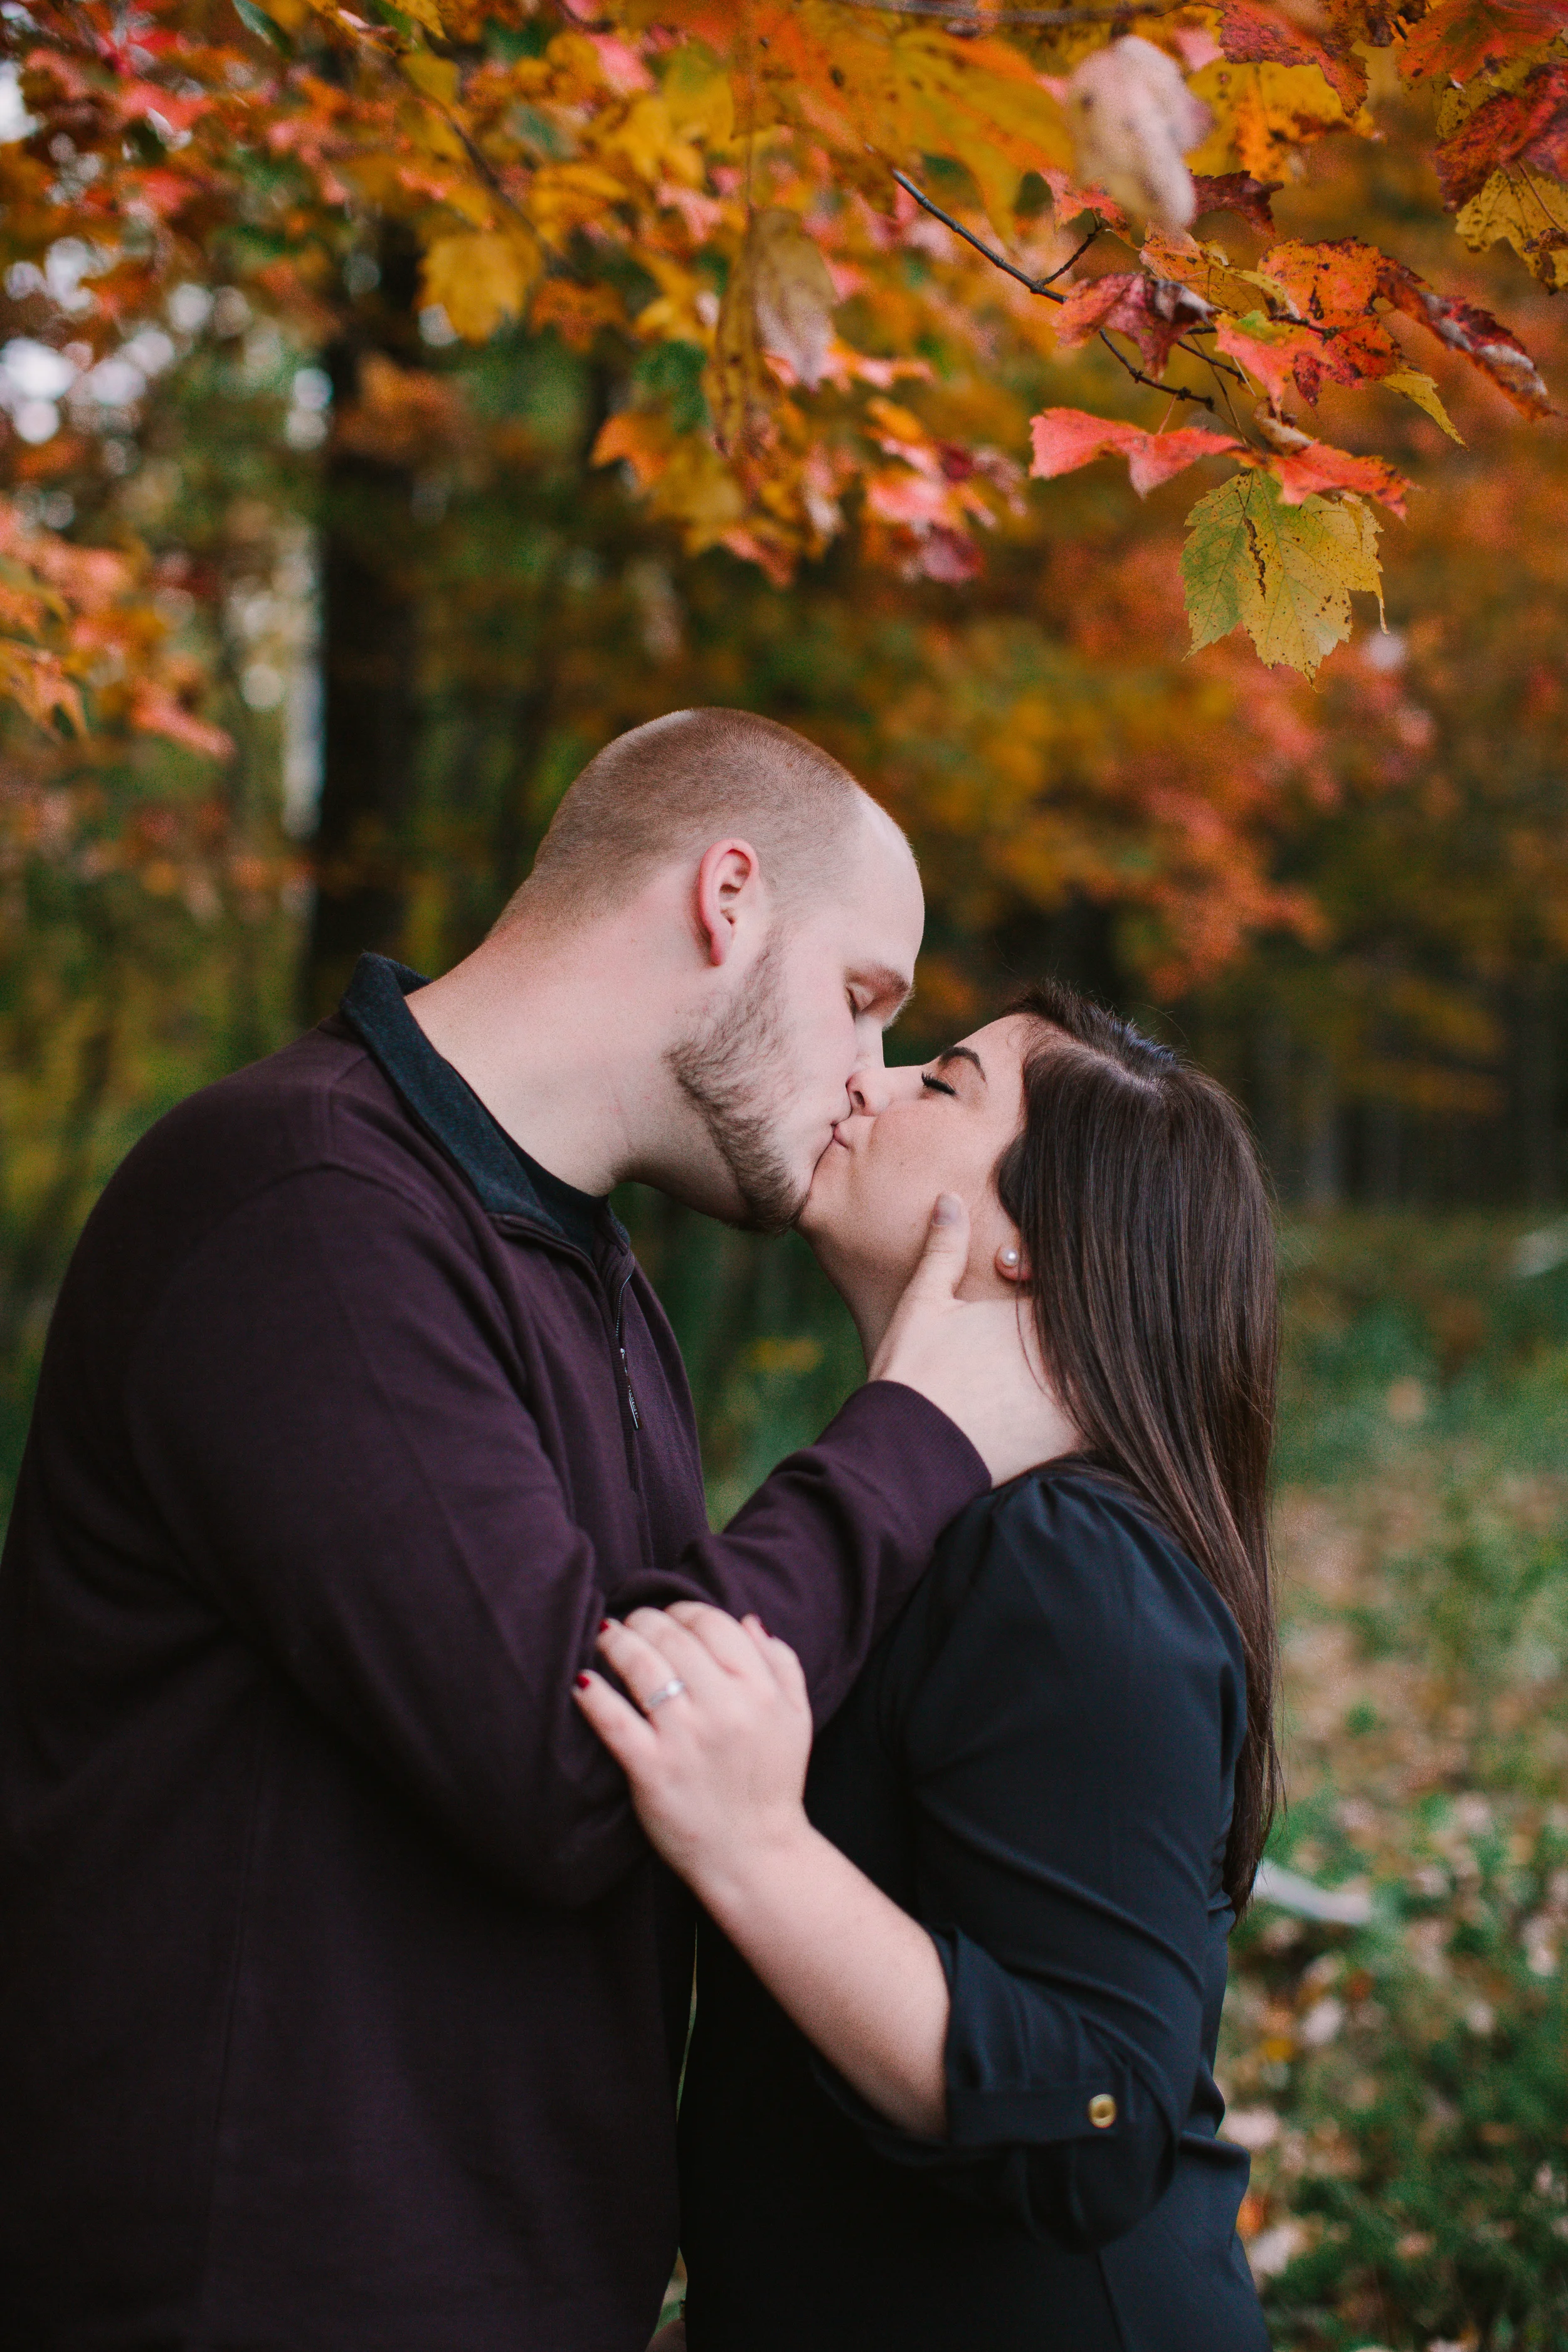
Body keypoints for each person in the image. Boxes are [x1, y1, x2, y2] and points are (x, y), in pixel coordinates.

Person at [0, 711, 1063, 2352]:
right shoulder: (301, 1207)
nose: (871, 1076)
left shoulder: (588, 1273)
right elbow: (578, 1759)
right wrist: (920, 1430)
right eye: (863, 996)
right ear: (727, 895)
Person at [578, 981, 1280, 2352]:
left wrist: (756, 1849)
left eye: (939, 1084)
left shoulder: (1066, 1560)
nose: (868, 1082)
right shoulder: (940, 1523)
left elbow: (1097, 2120)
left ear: (1030, 1241)